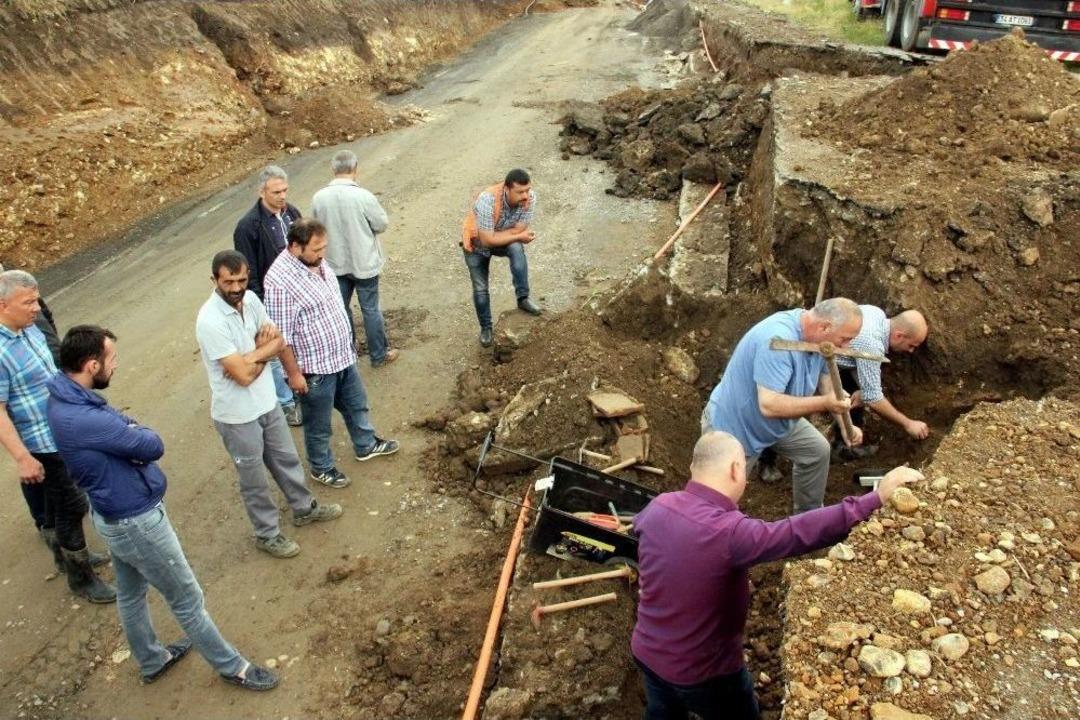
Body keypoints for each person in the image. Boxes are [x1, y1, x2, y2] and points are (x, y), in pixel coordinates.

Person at [46, 325, 279, 690]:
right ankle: (233, 667)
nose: (116, 365)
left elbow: (125, 430)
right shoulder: (87, 418)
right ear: (91, 365)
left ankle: (152, 659)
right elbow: (151, 445)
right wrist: (134, 430)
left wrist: (128, 430)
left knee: (130, 592)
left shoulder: (66, 399)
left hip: (112, 515)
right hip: (136, 522)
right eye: (112, 359)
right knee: (187, 599)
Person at [631, 431, 923, 720]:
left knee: (662, 712)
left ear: (694, 467)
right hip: (705, 672)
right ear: (735, 470)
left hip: (647, 653)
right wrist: (875, 498)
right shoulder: (728, 532)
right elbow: (796, 532)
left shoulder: (658, 506)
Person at [196, 250, 344, 559]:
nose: (236, 287)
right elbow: (242, 377)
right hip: (237, 416)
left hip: (267, 403)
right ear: (214, 280)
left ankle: (303, 509)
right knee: (254, 480)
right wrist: (264, 349)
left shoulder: (250, 300)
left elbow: (278, 341)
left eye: (241, 279)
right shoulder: (209, 321)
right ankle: (267, 533)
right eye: (229, 282)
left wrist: (254, 354)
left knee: (287, 460)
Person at [0, 270, 115, 602]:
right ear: (3, 304)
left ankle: (64, 556)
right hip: (42, 442)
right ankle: (81, 578)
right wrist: (23, 458)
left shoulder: (30, 329)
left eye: (37, 298)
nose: (37, 307)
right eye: (29, 302)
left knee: (56, 502)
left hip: (63, 429)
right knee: (72, 505)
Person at [264, 219, 399, 489]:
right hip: (314, 369)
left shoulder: (314, 262)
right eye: (316, 249)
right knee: (318, 424)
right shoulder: (279, 282)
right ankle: (321, 467)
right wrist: (293, 375)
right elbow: (282, 338)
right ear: (294, 246)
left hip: (340, 357)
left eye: (323, 248)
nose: (321, 254)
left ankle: (366, 444)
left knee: (356, 404)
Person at [702, 298, 864, 513]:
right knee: (719, 501)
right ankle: (714, 538)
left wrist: (845, 426)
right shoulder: (778, 340)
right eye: (844, 339)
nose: (846, 347)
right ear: (825, 327)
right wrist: (826, 403)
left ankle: (809, 520)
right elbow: (769, 405)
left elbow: (827, 382)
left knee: (816, 451)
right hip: (736, 427)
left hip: (777, 423)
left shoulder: (819, 340)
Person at [311, 150, 397, 367]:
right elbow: (381, 224)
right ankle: (378, 355)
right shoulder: (363, 196)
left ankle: (349, 351)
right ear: (355, 168)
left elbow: (314, 229)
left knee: (341, 309)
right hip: (364, 262)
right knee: (370, 309)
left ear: (333, 169)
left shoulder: (319, 198)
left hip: (333, 264)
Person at [233, 165, 303, 427]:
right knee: (271, 350)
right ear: (261, 192)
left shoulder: (291, 213)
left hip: (295, 293)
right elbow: (248, 271)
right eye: (276, 192)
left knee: (293, 342)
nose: (282, 196)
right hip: (269, 300)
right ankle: (285, 403)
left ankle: (298, 386)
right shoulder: (248, 227)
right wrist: (260, 307)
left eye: (285, 190)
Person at [460, 168, 542, 348]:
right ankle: (486, 328)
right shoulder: (487, 200)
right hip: (475, 243)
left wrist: (512, 236)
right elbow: (487, 240)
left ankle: (523, 298)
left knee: (516, 248)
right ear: (506, 189)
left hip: (496, 235)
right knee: (480, 288)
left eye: (527, 190)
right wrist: (515, 236)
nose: (525, 196)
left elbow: (518, 229)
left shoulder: (530, 198)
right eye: (520, 192)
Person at [834, 306, 930, 457]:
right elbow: (874, 399)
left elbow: (853, 358)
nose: (911, 351)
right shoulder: (872, 344)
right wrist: (908, 424)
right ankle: (845, 447)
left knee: (860, 392)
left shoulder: (875, 313)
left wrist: (863, 389)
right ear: (899, 336)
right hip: (813, 358)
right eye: (911, 345)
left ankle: (845, 446)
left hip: (835, 356)